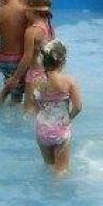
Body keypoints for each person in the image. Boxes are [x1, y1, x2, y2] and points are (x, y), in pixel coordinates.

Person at [33, 39, 82, 176]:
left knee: (49, 167)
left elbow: (36, 105)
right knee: (61, 172)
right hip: (60, 129)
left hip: (42, 128)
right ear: (62, 61)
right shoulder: (69, 82)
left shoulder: (37, 81)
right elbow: (78, 107)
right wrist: (69, 118)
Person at [5, 0, 55, 114]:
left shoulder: (31, 31)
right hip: (48, 73)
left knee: (29, 110)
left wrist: (15, 78)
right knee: (42, 109)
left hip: (35, 75)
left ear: (29, 9)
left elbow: (27, 58)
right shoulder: (48, 26)